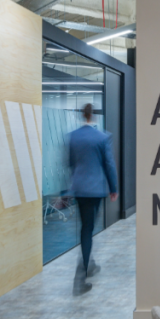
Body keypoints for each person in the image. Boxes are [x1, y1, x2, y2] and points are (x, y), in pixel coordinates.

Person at [68, 103, 118, 290]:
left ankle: (89, 264)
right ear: (94, 116)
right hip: (95, 189)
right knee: (88, 229)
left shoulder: (73, 136)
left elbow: (70, 163)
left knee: (85, 226)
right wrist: (113, 188)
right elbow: (109, 165)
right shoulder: (102, 137)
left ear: (82, 115)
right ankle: (80, 277)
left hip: (79, 189)